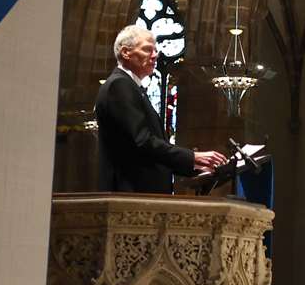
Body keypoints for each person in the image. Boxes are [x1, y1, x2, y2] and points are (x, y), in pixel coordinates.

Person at [94, 26, 225, 192]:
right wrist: (192, 157)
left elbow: (147, 152)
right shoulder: (119, 85)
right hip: (130, 194)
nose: (155, 55)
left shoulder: (132, 87)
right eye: (148, 49)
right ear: (126, 52)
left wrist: (197, 167)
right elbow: (142, 142)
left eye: (156, 50)